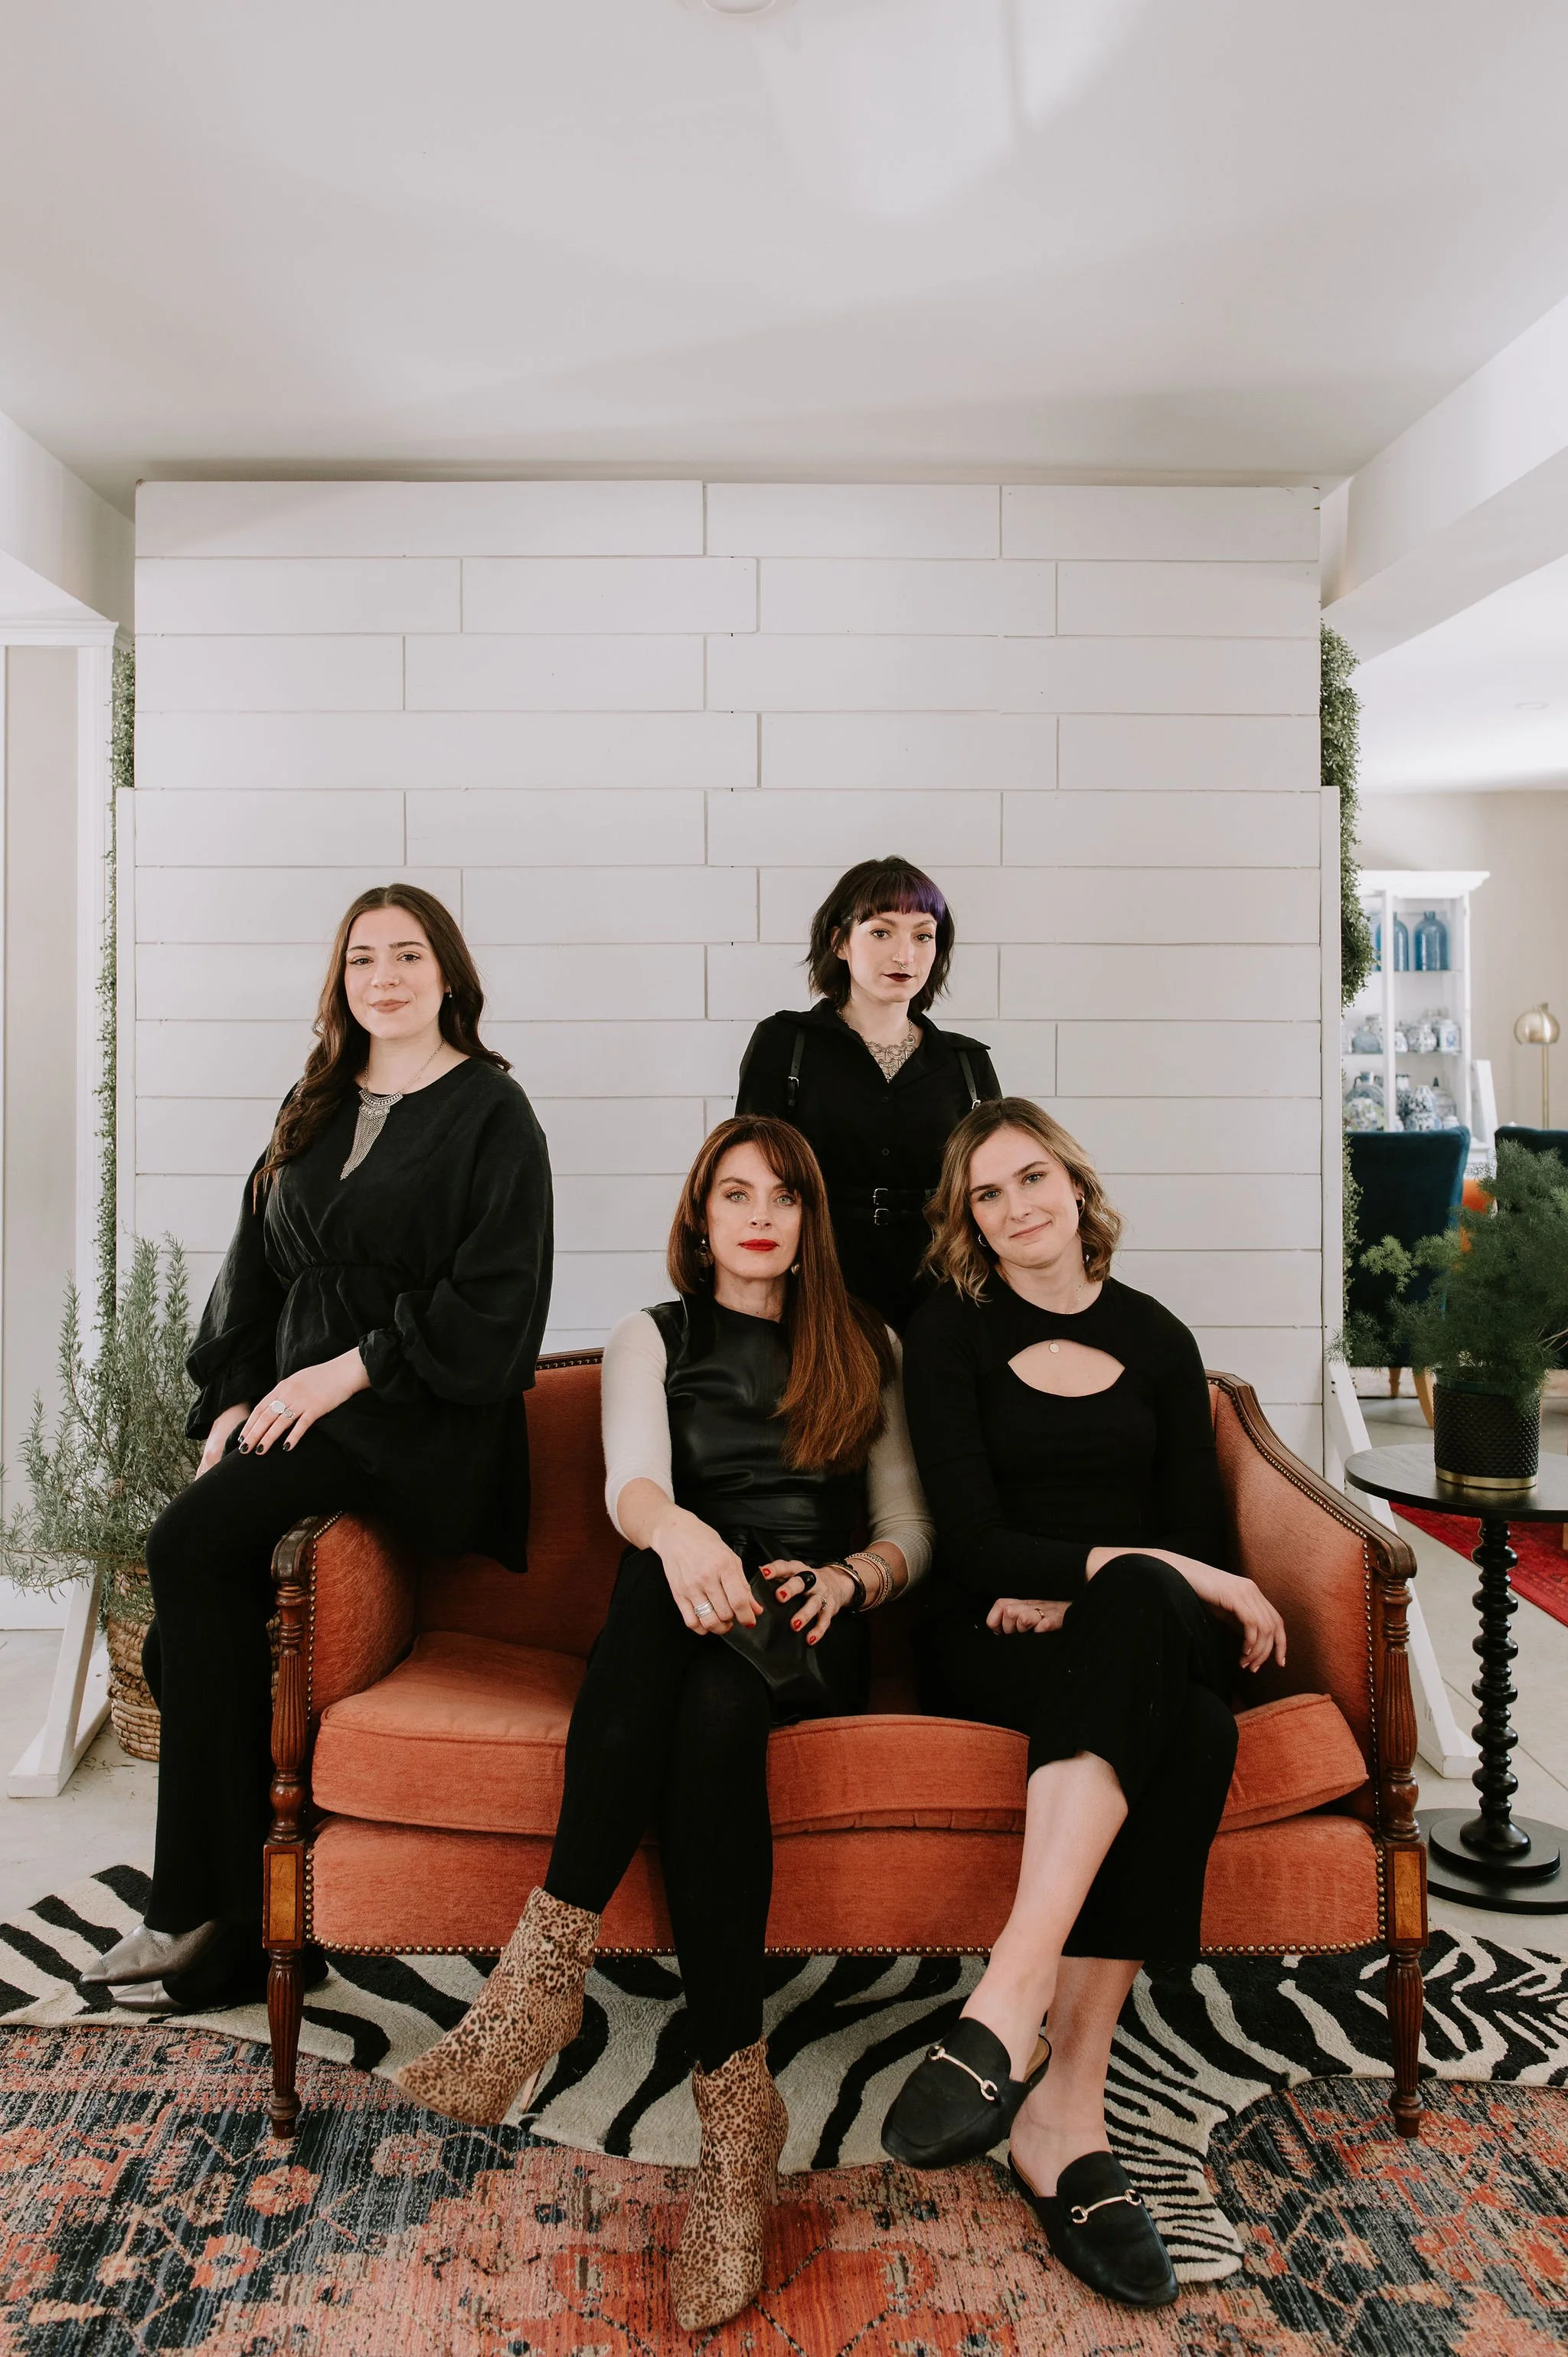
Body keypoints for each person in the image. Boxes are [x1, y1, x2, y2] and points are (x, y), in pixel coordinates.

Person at [397, 1115, 933, 2333]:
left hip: (811, 1615)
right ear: (700, 1218)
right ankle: (741, 2129)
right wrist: (685, 1529)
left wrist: (853, 1580)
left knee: (695, 1633)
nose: (757, 1214)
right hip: (692, 1599)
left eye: (782, 1195)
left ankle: (541, 1983)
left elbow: (911, 1529)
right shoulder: (656, 1334)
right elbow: (633, 1482)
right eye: (732, 1193)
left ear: (807, 1222)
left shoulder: (868, 1344)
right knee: (689, 1662)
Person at [82, 886, 553, 2015]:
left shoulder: (494, 1111)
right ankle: (244, 1924)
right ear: (340, 982)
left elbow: (499, 1303)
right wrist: (232, 1411)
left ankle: (192, 1906)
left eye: (407, 955)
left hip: (412, 1417)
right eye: (361, 959)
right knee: (207, 1587)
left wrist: (352, 1369)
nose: (383, 977)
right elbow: (255, 1275)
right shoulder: (314, 1101)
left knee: (189, 1547)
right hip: (301, 1410)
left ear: (449, 974)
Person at [880, 1098, 1286, 2311]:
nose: (1015, 1207)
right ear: (969, 1220)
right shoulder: (947, 1334)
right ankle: (1061, 2112)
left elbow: (1193, 1533)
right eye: (986, 1194)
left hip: (1123, 1630)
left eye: (1030, 1177)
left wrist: (1111, 1589)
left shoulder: (1157, 1336)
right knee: (1194, 1724)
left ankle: (1012, 2010)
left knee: (1167, 1650)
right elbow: (974, 1543)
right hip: (992, 1642)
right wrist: (1137, 1582)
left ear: (1073, 1181)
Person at [735, 855, 998, 1331]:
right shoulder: (785, 1043)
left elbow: (992, 1186)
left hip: (941, 1290)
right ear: (840, 942)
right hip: (819, 1283)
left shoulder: (967, 1062)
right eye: (881, 932)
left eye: (923, 936)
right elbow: (750, 1177)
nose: (905, 956)